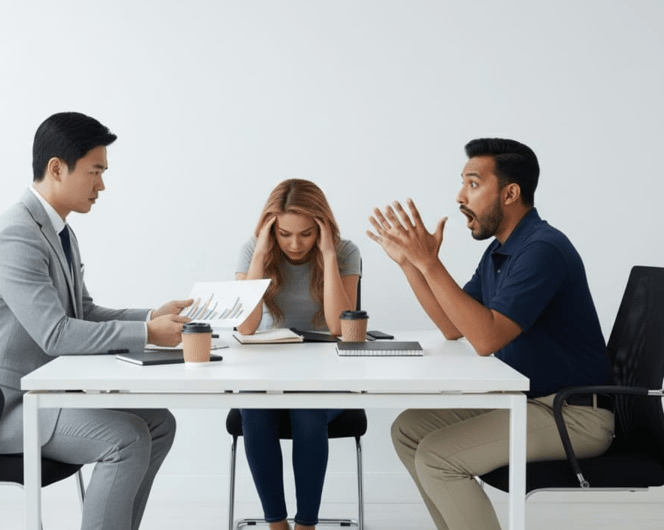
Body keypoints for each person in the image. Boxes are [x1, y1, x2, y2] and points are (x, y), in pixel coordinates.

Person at [0, 112, 193, 530]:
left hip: (36, 392)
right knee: (126, 438)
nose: (102, 185)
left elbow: (84, 313)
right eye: (95, 171)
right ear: (57, 168)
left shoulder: (58, 231)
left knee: (159, 423)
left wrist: (152, 315)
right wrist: (147, 334)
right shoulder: (15, 235)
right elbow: (56, 334)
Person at [367, 138, 614, 530]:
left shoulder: (542, 251)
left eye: (473, 183)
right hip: (531, 401)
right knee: (409, 430)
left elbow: (486, 339)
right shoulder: (503, 250)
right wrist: (412, 264)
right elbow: (454, 326)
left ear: (510, 193)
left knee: (437, 456)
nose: (460, 196)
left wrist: (430, 263)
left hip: (572, 415)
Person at [235, 178, 361, 530]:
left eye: (306, 234)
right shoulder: (252, 251)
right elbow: (246, 327)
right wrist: (260, 253)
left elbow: (338, 327)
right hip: (267, 374)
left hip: (327, 374)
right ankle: (276, 524)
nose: (294, 244)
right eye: (284, 234)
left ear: (321, 227)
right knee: (255, 411)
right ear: (270, 229)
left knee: (308, 411)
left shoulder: (345, 251)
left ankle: (306, 525)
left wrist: (328, 255)